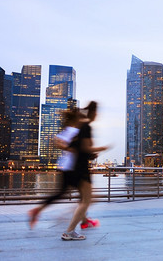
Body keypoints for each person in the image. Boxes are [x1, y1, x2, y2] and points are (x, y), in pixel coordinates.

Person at [28, 109, 83, 229]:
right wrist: (73, 149)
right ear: (76, 120)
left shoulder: (66, 131)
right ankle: (83, 220)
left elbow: (57, 141)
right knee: (84, 196)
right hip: (74, 167)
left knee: (65, 193)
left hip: (65, 166)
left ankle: (37, 210)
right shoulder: (76, 131)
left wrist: (67, 147)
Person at [61, 101, 108, 241]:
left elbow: (78, 147)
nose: (97, 115)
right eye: (96, 112)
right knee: (86, 200)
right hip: (81, 168)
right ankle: (69, 231)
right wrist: (103, 148)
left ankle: (80, 224)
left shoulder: (81, 127)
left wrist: (91, 154)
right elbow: (85, 148)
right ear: (93, 112)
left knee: (85, 200)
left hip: (78, 167)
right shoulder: (86, 126)